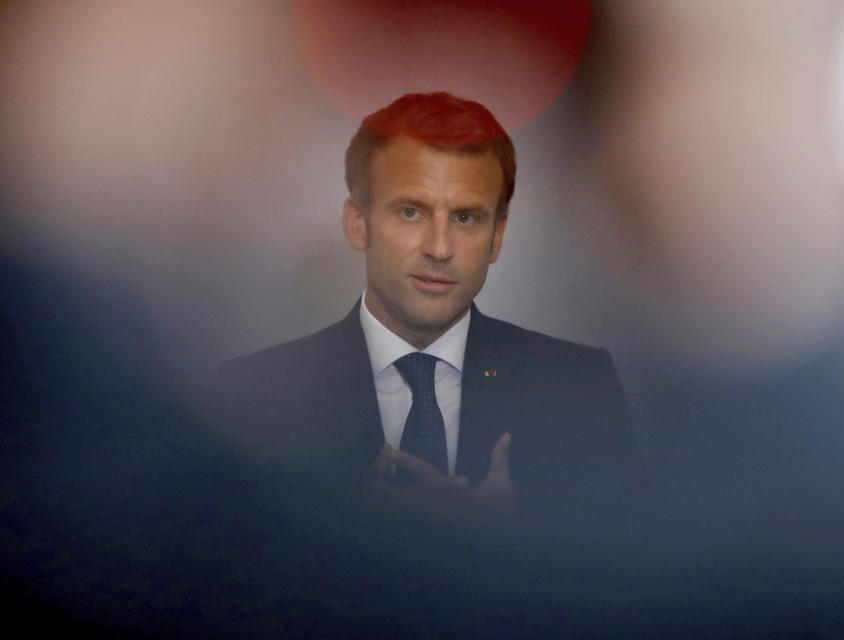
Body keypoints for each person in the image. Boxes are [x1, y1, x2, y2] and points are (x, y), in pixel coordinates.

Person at [214, 92, 632, 527]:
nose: (439, 248)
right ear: (358, 222)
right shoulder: (254, 394)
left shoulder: (579, 388)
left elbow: (633, 573)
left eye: (466, 218)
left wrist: (513, 541)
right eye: (411, 212)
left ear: (497, 237)